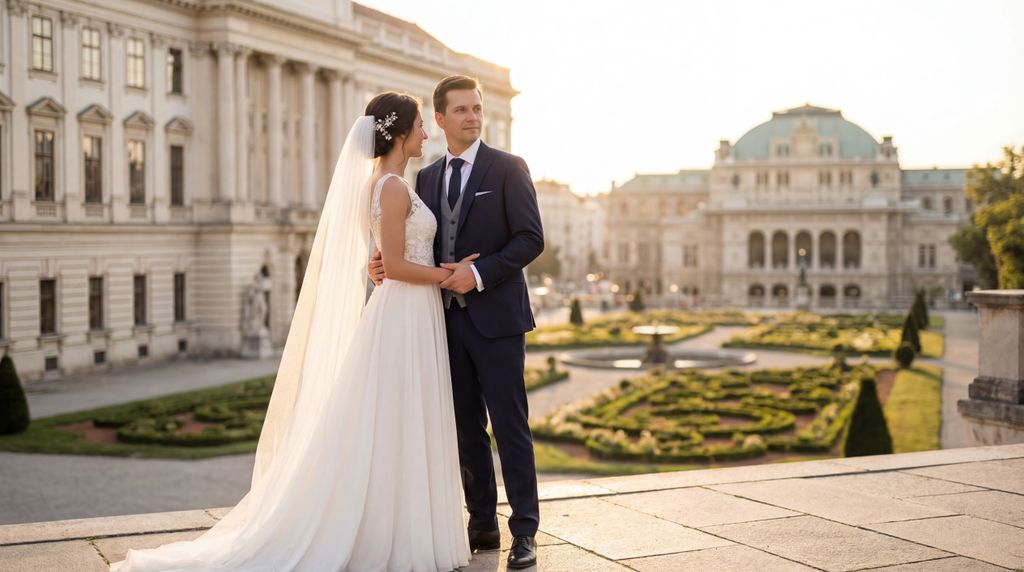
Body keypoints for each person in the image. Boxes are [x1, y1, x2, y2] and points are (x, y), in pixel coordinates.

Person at [110, 92, 472, 571]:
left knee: (397, 420)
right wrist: (452, 273)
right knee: (398, 420)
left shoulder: (384, 183)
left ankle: (399, 528)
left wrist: (389, 264)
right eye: (421, 125)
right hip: (405, 311)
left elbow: (387, 258)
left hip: (409, 310)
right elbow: (401, 266)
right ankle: (395, 533)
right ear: (401, 132)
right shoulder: (391, 187)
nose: (427, 133)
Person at [369, 75, 544, 569]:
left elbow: (531, 240)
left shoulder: (509, 168)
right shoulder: (424, 177)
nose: (472, 116)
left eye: (477, 108)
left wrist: (478, 274)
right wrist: (379, 262)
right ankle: (482, 524)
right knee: (465, 428)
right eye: (460, 110)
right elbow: (407, 242)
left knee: (511, 427)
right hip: (441, 322)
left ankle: (524, 532)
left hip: (497, 319)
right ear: (440, 119)